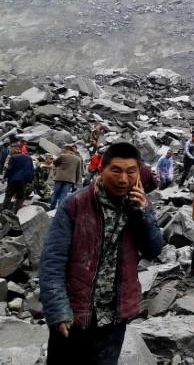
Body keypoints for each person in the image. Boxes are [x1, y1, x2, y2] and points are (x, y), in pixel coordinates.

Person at [39, 142, 163, 365]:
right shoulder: (75, 204)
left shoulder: (140, 205)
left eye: (130, 172)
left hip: (113, 320)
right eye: (116, 170)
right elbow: (52, 260)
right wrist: (57, 309)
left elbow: (153, 250)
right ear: (101, 169)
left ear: (137, 174)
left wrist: (142, 214)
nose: (123, 179)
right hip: (73, 316)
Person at [51, 145, 83, 211]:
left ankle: (52, 206)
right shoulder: (78, 159)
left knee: (55, 193)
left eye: (64, 149)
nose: (63, 150)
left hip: (59, 178)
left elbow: (54, 162)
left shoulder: (62, 156)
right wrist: (78, 182)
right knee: (64, 194)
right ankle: (59, 209)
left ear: (67, 149)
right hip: (70, 179)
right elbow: (78, 171)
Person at [3, 146, 34, 212]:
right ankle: (16, 211)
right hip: (23, 180)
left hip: (13, 179)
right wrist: (29, 180)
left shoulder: (13, 157)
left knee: (8, 195)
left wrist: (5, 177)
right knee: (20, 196)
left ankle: (4, 210)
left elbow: (9, 169)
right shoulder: (29, 158)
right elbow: (31, 170)